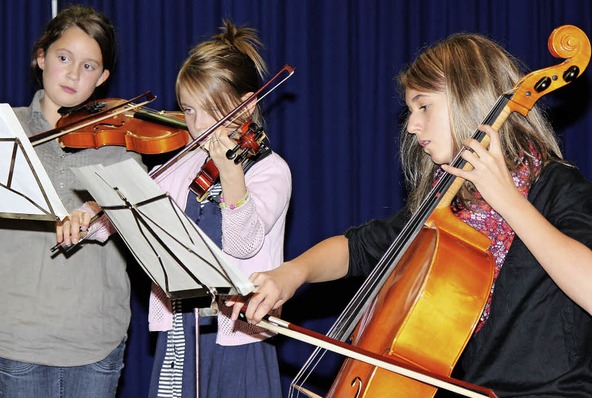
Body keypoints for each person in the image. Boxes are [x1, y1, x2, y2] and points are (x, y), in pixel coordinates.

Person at [232, 32, 592, 396]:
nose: (411, 125)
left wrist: (510, 203)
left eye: (424, 106)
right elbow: (355, 248)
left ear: (469, 99)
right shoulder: (445, 207)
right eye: (410, 110)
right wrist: (291, 274)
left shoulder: (557, 186)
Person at [0, 6, 143, 397]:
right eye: (64, 58)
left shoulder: (120, 141)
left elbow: (138, 223)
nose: (72, 73)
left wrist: (101, 212)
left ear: (103, 78)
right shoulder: (0, 131)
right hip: (16, 336)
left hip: (94, 338)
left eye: (89, 67)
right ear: (41, 56)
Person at [145, 20, 291, 398]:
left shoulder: (271, 170)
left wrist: (231, 174)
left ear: (245, 105)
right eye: (189, 111)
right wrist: (91, 217)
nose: (198, 126)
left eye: (211, 111)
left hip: (237, 339)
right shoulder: (183, 164)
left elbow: (243, 245)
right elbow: (134, 212)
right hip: (182, 331)